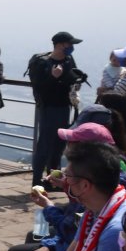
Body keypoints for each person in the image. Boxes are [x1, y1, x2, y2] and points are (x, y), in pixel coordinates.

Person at [29, 31, 84, 188]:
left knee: (59, 146)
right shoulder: (43, 63)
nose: (71, 47)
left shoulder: (68, 60)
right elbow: (39, 88)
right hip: (48, 108)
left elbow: (70, 80)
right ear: (60, 45)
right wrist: (53, 77)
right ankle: (36, 181)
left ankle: (52, 181)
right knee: (44, 145)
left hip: (64, 107)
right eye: (69, 44)